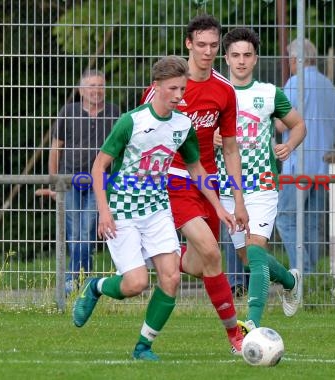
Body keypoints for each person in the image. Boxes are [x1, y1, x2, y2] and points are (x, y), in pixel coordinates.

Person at [72, 55, 236, 361]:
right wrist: (104, 211)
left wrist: (219, 207)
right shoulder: (131, 122)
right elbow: (99, 167)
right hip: (123, 211)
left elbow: (197, 170)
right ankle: (96, 287)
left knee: (171, 278)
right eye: (173, 88)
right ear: (156, 86)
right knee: (136, 284)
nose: (179, 95)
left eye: (182, 88)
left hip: (158, 210)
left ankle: (143, 347)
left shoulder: (183, 125)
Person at [140, 14, 250, 354]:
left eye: (214, 46)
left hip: (207, 183)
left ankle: (170, 256)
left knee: (206, 263)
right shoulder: (168, 86)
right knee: (213, 250)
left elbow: (230, 147)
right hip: (171, 181)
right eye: (200, 44)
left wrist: (238, 198)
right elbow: (140, 135)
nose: (207, 51)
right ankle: (235, 335)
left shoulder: (224, 90)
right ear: (188, 44)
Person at [215, 27, 306, 329]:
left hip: (263, 184)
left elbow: (298, 125)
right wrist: (209, 136)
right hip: (229, 187)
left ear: (255, 59)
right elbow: (191, 134)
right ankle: (289, 281)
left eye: (247, 55)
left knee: (255, 251)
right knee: (246, 258)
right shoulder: (216, 93)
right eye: (236, 55)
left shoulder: (268, 94)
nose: (241, 61)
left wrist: (288, 146)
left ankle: (250, 324)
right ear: (225, 58)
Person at [276, 39, 335, 273]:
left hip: (297, 166)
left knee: (285, 218)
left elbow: (279, 124)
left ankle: (303, 271)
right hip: (323, 167)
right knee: (312, 224)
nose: (289, 64)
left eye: (290, 60)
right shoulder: (330, 86)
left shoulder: (294, 84)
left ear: (297, 59)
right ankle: (313, 280)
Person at [47, 69, 120, 294]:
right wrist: (54, 182)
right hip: (69, 181)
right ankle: (77, 280)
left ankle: (77, 281)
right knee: (73, 232)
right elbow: (55, 148)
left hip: (98, 183)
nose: (96, 91)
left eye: (100, 86)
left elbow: (120, 151)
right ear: (81, 90)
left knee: (87, 230)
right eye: (91, 86)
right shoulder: (68, 112)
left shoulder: (114, 113)